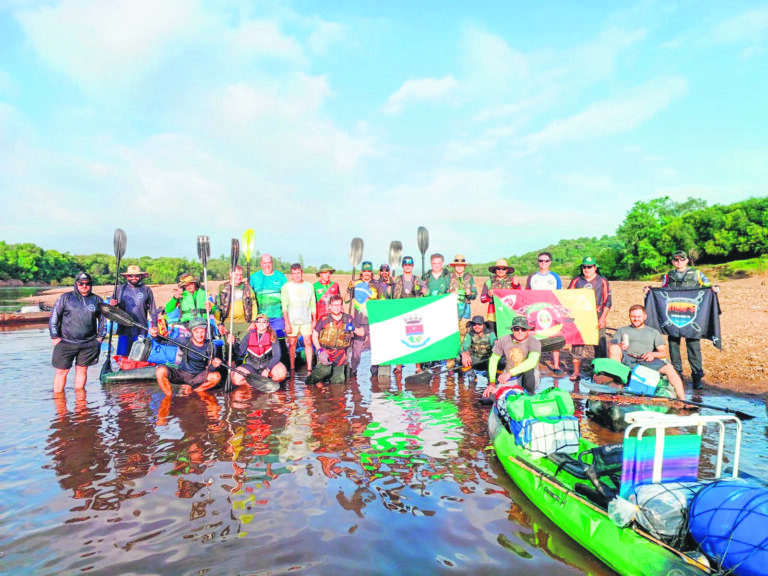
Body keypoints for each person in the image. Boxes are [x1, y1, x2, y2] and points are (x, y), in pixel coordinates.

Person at [646, 250, 718, 389]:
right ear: (673, 261)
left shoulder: (697, 274)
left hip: (692, 317)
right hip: (672, 317)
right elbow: (661, 291)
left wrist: (715, 289)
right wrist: (649, 291)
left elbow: (708, 286)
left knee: (693, 347)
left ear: (687, 261)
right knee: (673, 346)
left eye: (681, 259)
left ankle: (697, 376)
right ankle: (677, 373)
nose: (678, 262)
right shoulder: (668, 275)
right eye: (676, 260)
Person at [608, 305, 685, 399]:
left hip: (646, 360)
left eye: (638, 316)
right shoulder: (622, 330)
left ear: (645, 316)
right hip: (627, 359)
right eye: (633, 317)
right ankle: (616, 391)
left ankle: (683, 400)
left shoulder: (653, 332)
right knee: (613, 348)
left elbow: (664, 353)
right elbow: (611, 344)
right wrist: (619, 345)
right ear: (629, 316)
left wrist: (653, 354)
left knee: (670, 368)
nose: (636, 319)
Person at [49, 272, 105, 393]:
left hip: (89, 343)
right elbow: (54, 318)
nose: (84, 286)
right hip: (66, 342)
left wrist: (100, 338)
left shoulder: (96, 300)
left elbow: (103, 321)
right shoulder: (65, 298)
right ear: (76, 284)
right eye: (81, 283)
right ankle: (59, 401)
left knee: (82, 370)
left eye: (87, 284)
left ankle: (80, 402)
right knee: (61, 371)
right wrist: (54, 336)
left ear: (91, 285)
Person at [567, 256, 612, 381]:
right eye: (584, 267)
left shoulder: (602, 280)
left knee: (600, 346)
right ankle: (576, 372)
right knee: (577, 345)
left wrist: (603, 318)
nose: (586, 269)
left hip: (597, 318)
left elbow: (607, 301)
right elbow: (568, 297)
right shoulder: (576, 280)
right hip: (580, 318)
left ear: (595, 267)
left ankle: (599, 372)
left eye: (589, 267)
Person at [155, 317, 222, 397]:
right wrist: (154, 336)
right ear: (191, 332)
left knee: (216, 376)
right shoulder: (184, 341)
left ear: (206, 331)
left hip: (199, 376)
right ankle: (168, 397)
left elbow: (210, 369)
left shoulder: (211, 346)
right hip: (182, 374)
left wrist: (214, 365)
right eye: (196, 332)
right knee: (160, 371)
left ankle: (195, 392)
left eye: (202, 332)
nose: (200, 335)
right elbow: (164, 342)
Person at [483, 316, 541, 399]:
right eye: (516, 329)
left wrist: (510, 373)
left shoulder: (534, 342)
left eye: (523, 329)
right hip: (511, 378)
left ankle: (530, 395)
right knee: (488, 398)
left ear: (528, 330)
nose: (520, 332)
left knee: (528, 371)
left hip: (530, 378)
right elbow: (493, 360)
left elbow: (532, 361)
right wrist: (492, 382)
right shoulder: (503, 340)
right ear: (512, 330)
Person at [525, 252, 564, 374]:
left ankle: (556, 366)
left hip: (551, 310)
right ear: (537, 262)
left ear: (550, 262)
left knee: (554, 337)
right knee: (534, 336)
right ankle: (533, 363)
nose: (543, 263)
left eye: (546, 261)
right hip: (535, 310)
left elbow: (560, 294)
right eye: (541, 260)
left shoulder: (555, 277)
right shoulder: (532, 277)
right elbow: (527, 294)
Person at [109, 265, 158, 356]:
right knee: (122, 358)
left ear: (141, 276)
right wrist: (112, 305)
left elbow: (153, 310)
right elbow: (111, 311)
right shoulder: (120, 289)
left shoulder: (146, 290)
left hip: (141, 329)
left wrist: (154, 326)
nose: (133, 278)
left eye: (136, 275)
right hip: (124, 329)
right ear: (126, 276)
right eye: (130, 275)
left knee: (138, 358)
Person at [307, 295, 356, 385]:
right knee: (325, 371)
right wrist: (319, 350)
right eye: (334, 305)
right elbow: (314, 335)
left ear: (342, 306)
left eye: (339, 305)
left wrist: (353, 328)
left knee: (338, 382)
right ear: (330, 306)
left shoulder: (348, 319)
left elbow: (362, 333)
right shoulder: (324, 319)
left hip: (341, 354)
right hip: (326, 351)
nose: (336, 308)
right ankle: (309, 381)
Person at [230, 314, 288, 386]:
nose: (261, 324)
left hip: (267, 363)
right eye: (258, 321)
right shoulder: (249, 335)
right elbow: (240, 353)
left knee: (281, 374)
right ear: (255, 323)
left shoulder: (272, 335)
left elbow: (277, 355)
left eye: (264, 322)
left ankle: (268, 382)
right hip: (251, 364)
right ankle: (256, 384)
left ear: (267, 324)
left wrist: (267, 369)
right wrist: (234, 343)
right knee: (236, 380)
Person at [281, 263, 317, 372]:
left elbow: (312, 304)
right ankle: (292, 367)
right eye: (294, 274)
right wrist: (286, 323)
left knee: (308, 342)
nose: (297, 276)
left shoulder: (309, 286)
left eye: (298, 273)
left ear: (302, 272)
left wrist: (314, 320)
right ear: (291, 274)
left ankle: (309, 368)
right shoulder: (286, 287)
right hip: (292, 320)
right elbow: (284, 306)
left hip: (306, 319)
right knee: (292, 344)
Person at [347, 261, 380, 376]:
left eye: (369, 271)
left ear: (371, 272)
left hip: (373, 321)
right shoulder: (355, 284)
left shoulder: (377, 284)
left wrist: (371, 300)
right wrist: (349, 288)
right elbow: (347, 299)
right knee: (356, 350)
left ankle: (374, 371)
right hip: (358, 322)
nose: (367, 273)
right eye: (365, 271)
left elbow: (383, 301)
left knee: (375, 348)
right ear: (361, 272)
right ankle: (353, 371)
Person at [216, 265, 257, 344]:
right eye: (237, 274)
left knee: (244, 348)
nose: (239, 277)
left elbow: (254, 305)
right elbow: (217, 306)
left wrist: (253, 321)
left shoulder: (248, 288)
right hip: (228, 324)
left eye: (241, 275)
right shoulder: (222, 288)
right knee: (229, 349)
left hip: (245, 324)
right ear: (230, 274)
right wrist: (219, 324)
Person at [249, 254, 288, 335]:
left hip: (278, 316)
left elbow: (288, 295)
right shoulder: (254, 277)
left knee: (279, 341)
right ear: (261, 264)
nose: (267, 265)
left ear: (272, 263)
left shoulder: (281, 276)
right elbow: (247, 297)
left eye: (269, 262)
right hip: (261, 317)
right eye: (265, 263)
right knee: (263, 342)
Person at [480, 258, 521, 333]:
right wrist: (488, 295)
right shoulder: (489, 282)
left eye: (503, 269)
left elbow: (520, 296)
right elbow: (482, 299)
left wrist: (516, 285)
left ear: (507, 270)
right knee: (494, 336)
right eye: (498, 268)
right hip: (493, 314)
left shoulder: (513, 281)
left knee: (509, 335)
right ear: (495, 270)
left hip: (509, 313)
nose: (501, 271)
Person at [459, 315, 497, 382]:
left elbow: (495, 345)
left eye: (479, 324)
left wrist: (496, 345)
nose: (477, 327)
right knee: (458, 358)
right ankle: (472, 376)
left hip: (488, 360)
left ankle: (493, 376)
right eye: (474, 325)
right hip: (475, 360)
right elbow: (463, 347)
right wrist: (464, 353)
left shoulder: (490, 334)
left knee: (501, 361)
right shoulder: (470, 334)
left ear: (483, 325)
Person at [448, 254, 477, 321]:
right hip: (452, 308)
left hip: (466, 309)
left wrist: (469, 294)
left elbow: (474, 295)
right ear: (454, 266)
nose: (459, 267)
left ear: (464, 266)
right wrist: (449, 294)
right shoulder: (448, 277)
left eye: (461, 265)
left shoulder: (469, 277)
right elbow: (443, 293)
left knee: (464, 329)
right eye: (457, 265)